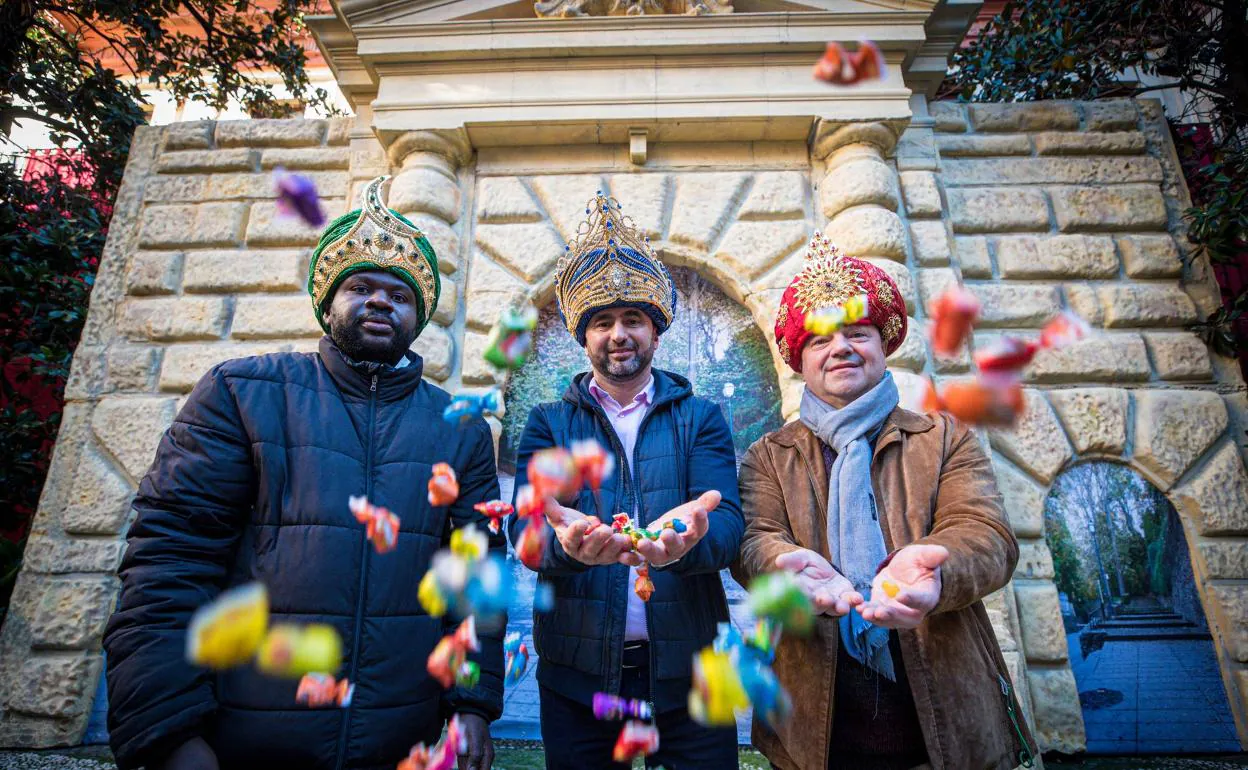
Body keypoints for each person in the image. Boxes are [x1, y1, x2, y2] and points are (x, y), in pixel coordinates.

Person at [104, 177, 503, 770]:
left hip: (401, 740)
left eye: (399, 294)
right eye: (361, 286)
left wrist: (471, 707)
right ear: (328, 301)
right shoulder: (242, 392)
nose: (379, 301)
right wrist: (169, 733)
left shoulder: (459, 429)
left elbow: (475, 581)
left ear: (416, 317)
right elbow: (168, 565)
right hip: (243, 737)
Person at [731, 233, 1036, 770]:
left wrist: (939, 572)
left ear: (883, 343)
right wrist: (783, 567)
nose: (842, 348)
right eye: (822, 339)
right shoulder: (768, 456)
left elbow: (986, 534)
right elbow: (754, 539)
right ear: (801, 359)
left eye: (858, 333)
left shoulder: (943, 437)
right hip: (811, 724)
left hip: (944, 712)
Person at [507, 192, 744, 770]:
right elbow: (525, 529)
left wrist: (686, 544)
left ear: (655, 332)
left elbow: (729, 523)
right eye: (603, 322)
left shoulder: (700, 417)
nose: (619, 333)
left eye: (633, 319)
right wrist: (565, 547)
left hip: (690, 671)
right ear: (583, 337)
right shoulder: (549, 422)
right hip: (577, 675)